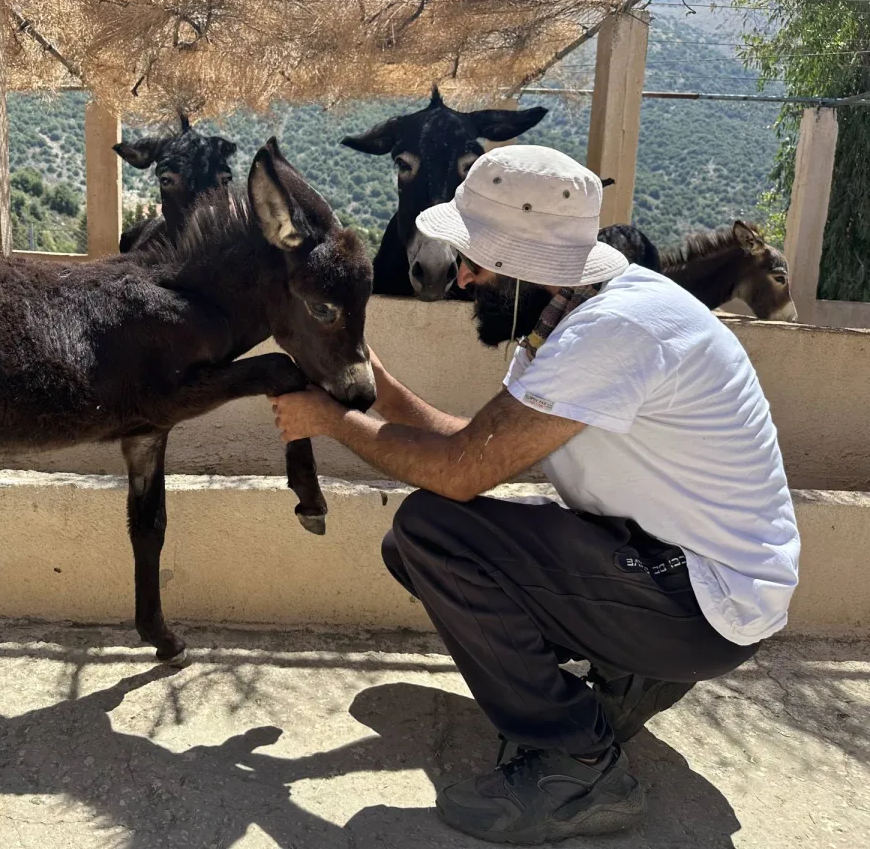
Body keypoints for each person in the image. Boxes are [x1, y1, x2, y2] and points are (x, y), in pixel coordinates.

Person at [269, 145, 800, 844]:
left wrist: (333, 423)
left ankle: (577, 765)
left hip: (703, 603)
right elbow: (481, 444)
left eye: (477, 263)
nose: (460, 278)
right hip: (677, 578)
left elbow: (461, 471)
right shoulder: (565, 322)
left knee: (434, 527)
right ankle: (625, 677)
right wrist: (378, 385)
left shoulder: (611, 332)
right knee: (416, 542)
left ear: (531, 264)